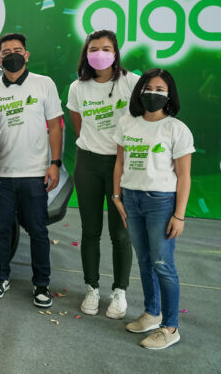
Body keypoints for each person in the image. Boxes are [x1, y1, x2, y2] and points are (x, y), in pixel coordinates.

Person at [112, 69, 193, 350]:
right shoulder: (127, 123)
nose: (153, 94)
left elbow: (184, 176)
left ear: (169, 95)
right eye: (148, 88)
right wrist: (117, 196)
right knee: (145, 260)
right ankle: (152, 312)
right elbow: (120, 162)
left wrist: (179, 215)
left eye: (160, 89)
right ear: (139, 92)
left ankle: (170, 327)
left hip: (161, 202)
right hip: (131, 199)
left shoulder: (176, 129)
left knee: (163, 264)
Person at [0, 33, 63, 307]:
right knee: (1, 229)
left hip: (35, 173)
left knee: (38, 231)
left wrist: (55, 163)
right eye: (6, 52)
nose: (12, 55)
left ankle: (41, 283)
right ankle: (0, 277)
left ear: (27, 55)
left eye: (17, 50)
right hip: (2, 175)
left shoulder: (44, 84)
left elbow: (56, 126)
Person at [67, 29, 140, 318]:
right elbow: (79, 125)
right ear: (86, 54)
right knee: (90, 230)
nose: (100, 54)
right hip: (88, 163)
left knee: (120, 233)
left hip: (121, 165)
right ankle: (92, 288)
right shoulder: (78, 87)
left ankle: (120, 292)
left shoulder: (131, 82)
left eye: (106, 49)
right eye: (93, 49)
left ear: (116, 52)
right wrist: (94, 146)